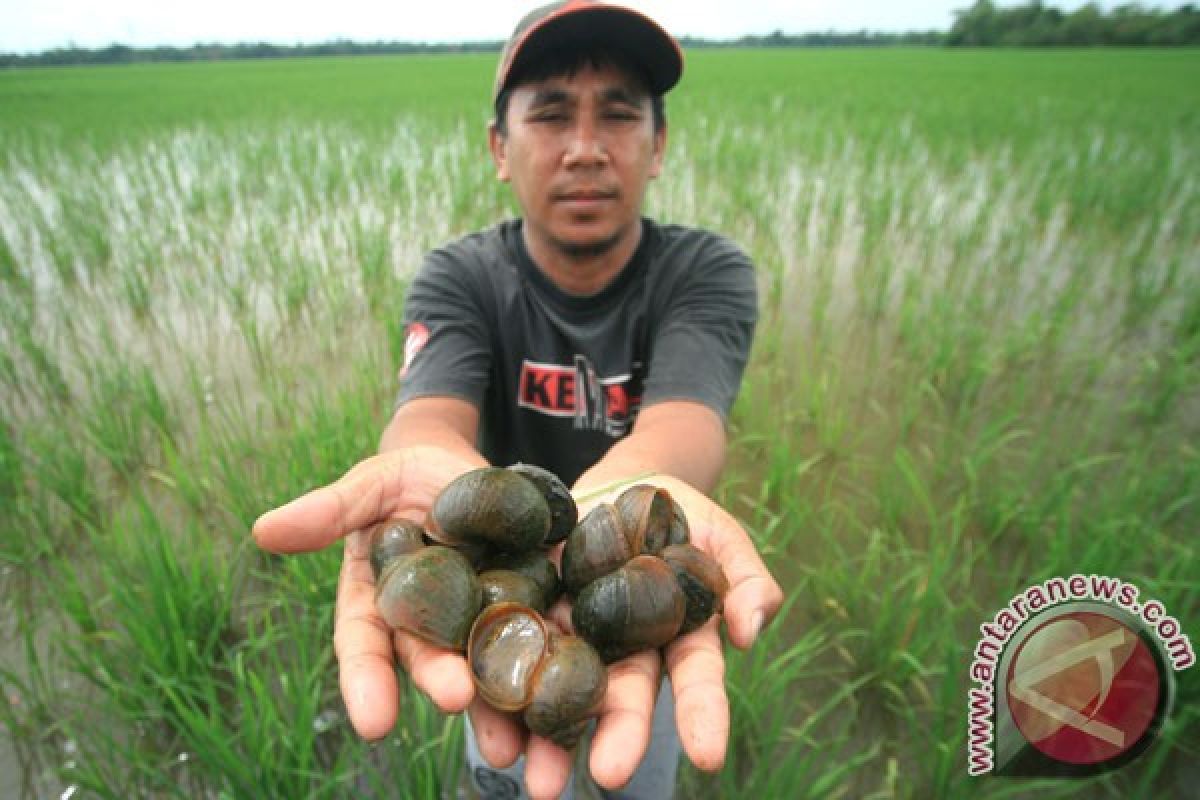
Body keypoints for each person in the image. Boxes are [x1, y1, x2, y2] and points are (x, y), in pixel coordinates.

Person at [252, 1, 784, 798]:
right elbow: (428, 414)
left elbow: (687, 422)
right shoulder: (461, 277)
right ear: (500, 148)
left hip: (642, 645)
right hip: (498, 618)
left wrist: (623, 500)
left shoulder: (704, 271)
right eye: (549, 114)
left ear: (659, 143)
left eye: (618, 114)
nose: (584, 149)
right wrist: (422, 469)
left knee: (633, 775)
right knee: (502, 770)